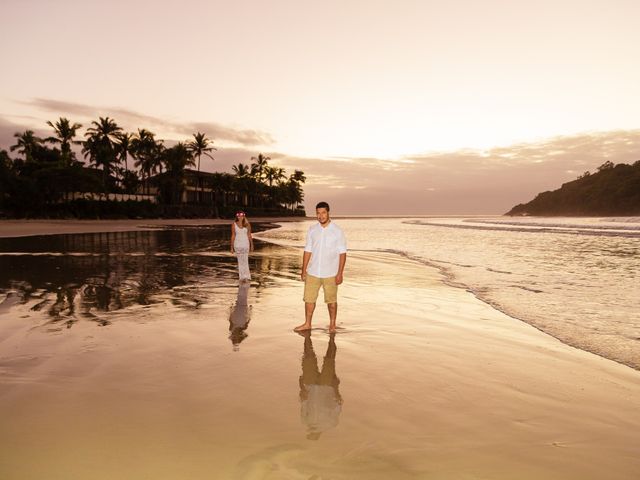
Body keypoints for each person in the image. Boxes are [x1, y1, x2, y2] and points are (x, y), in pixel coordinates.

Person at [294, 201, 347, 333]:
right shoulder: (312, 230)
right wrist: (303, 269)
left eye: (323, 212)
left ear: (328, 213)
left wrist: (340, 273)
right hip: (313, 271)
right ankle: (307, 324)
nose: (321, 216)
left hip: (331, 272)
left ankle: (332, 325)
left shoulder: (337, 231)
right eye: (318, 213)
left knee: (332, 302)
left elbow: (342, 253)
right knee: (309, 299)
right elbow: (308, 250)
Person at [298, 332, 342, 440]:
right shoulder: (331, 423)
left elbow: (303, 400)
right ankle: (332, 338)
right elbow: (338, 403)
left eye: (309, 434)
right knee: (330, 359)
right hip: (326, 387)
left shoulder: (304, 421)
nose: (310, 432)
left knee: (308, 356)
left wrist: (302, 386)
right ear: (318, 435)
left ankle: (310, 337)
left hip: (311, 386)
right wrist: (336, 388)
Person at [230, 211, 254, 282]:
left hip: (246, 244)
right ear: (236, 217)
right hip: (237, 245)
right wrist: (231, 247)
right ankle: (242, 277)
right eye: (238, 216)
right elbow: (233, 236)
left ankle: (247, 277)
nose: (240, 217)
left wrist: (252, 245)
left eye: (241, 215)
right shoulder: (234, 224)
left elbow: (249, 235)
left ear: (244, 216)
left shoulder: (247, 224)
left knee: (245, 260)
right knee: (240, 261)